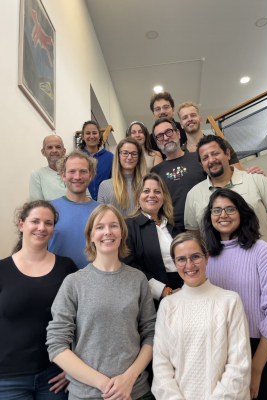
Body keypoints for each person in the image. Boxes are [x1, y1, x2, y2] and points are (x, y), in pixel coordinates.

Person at [46, 204, 156, 400]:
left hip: (135, 391)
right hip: (87, 394)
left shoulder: (138, 279)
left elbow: (151, 334)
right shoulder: (74, 282)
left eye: (114, 226)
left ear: (122, 233)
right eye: (100, 227)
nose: (107, 232)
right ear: (90, 235)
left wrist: (128, 379)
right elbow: (56, 345)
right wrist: (107, 386)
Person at [203, 189, 267, 400]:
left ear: (242, 213)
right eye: (216, 210)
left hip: (261, 347)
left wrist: (255, 368)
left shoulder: (261, 250)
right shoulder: (205, 254)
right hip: (221, 350)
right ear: (209, 216)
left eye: (230, 209)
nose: (222, 214)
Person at [184, 135, 267, 285]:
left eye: (215, 153)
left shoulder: (256, 180)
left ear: (227, 154)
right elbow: (194, 240)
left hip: (264, 270)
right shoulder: (194, 195)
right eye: (205, 158)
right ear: (201, 164)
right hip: (219, 277)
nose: (211, 160)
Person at [152, 231, 251, 400]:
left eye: (195, 256)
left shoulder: (230, 301)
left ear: (206, 258)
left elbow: (239, 365)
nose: (189, 265)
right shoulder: (168, 305)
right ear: (175, 264)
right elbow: (161, 366)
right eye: (181, 259)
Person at [0, 200, 78, 399]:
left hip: (55, 376)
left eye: (48, 223)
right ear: (21, 224)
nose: (42, 228)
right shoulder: (2, 270)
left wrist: (74, 368)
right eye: (35, 221)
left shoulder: (66, 267)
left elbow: (83, 319)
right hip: (8, 379)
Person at [121, 172, 182, 307]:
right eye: (146, 191)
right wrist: (164, 291)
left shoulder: (174, 227)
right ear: (138, 197)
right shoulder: (128, 226)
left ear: (164, 197)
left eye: (157, 191)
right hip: (152, 299)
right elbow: (128, 266)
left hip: (183, 293)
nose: (152, 195)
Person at [48, 150, 99, 269]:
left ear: (90, 175)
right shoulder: (48, 210)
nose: (77, 177)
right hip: (56, 282)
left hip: (93, 282)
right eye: (72, 171)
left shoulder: (102, 211)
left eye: (83, 171)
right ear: (63, 175)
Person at [177, 101, 245, 168]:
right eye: (185, 117)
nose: (190, 119)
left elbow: (238, 172)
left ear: (200, 120)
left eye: (193, 115)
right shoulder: (180, 154)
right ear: (181, 125)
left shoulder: (220, 143)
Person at [98, 137, 147, 217]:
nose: (129, 157)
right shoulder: (105, 186)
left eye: (134, 153)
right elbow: (100, 218)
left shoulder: (146, 185)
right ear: (118, 155)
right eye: (125, 153)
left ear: (139, 157)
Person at [79, 120, 113, 200]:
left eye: (94, 133)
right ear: (83, 136)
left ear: (99, 135)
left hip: (104, 204)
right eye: (88, 133)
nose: (91, 136)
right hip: (82, 203)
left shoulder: (110, 157)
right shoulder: (77, 157)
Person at [149, 91, 187, 158]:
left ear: (173, 110)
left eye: (165, 107)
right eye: (157, 109)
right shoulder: (150, 140)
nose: (162, 111)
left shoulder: (185, 129)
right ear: (153, 114)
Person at [29, 135, 67, 200]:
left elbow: (86, 199)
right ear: (43, 152)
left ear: (64, 151)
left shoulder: (76, 172)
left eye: (58, 147)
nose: (54, 150)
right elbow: (38, 206)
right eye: (50, 147)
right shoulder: (38, 174)